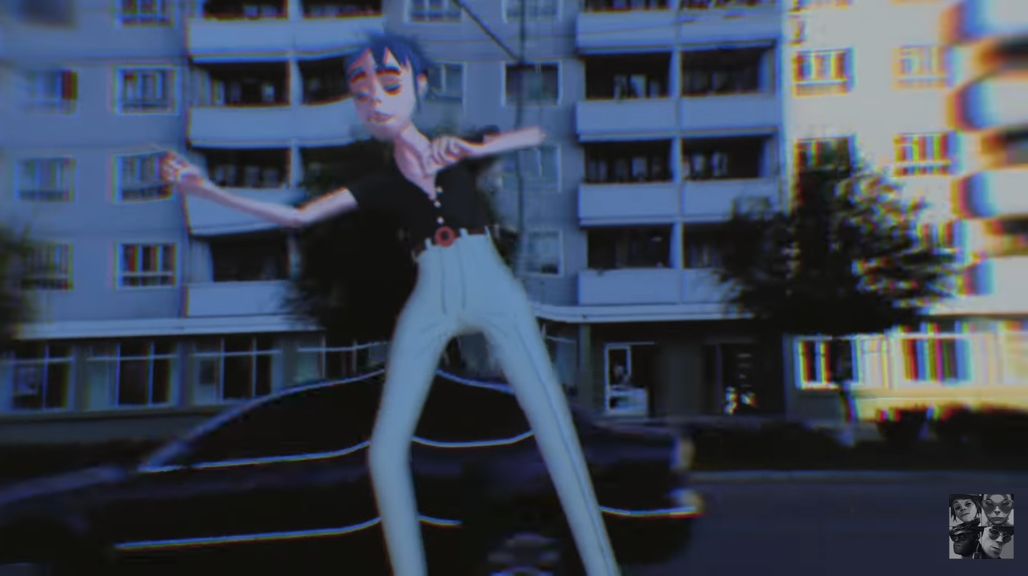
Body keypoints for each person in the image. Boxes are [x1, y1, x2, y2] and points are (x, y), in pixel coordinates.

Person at [161, 33, 621, 576]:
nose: (375, 100)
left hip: (491, 283)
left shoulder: (456, 153)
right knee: (385, 451)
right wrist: (205, 191)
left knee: (552, 424)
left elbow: (535, 133)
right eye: (362, 93)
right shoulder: (379, 185)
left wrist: (471, 151)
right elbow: (299, 217)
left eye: (389, 85)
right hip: (433, 289)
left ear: (419, 86)